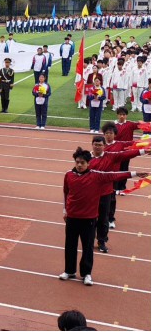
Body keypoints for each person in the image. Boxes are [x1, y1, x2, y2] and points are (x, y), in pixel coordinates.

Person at [60, 147, 147, 287]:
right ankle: (69, 271)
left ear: (88, 163)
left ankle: (86, 274)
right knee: (70, 245)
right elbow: (65, 192)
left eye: (82, 162)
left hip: (89, 218)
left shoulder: (96, 176)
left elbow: (114, 175)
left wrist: (134, 174)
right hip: (72, 217)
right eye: (77, 162)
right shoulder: (68, 175)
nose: (80, 165)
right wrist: (65, 211)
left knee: (87, 247)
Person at [88, 135, 148, 253]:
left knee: (103, 218)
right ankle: (89, 241)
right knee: (90, 218)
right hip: (90, 193)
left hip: (105, 193)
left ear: (104, 146)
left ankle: (101, 241)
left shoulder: (110, 156)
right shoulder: (86, 157)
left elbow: (126, 154)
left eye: (100, 145)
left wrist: (143, 151)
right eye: (95, 144)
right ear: (92, 145)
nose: (97, 147)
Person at [113, 107, 141, 195]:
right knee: (115, 169)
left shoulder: (130, 124)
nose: (122, 116)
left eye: (123, 115)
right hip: (115, 150)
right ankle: (115, 188)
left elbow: (142, 125)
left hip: (126, 151)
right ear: (117, 115)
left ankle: (122, 188)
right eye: (120, 114)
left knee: (124, 168)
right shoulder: (113, 125)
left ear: (126, 115)